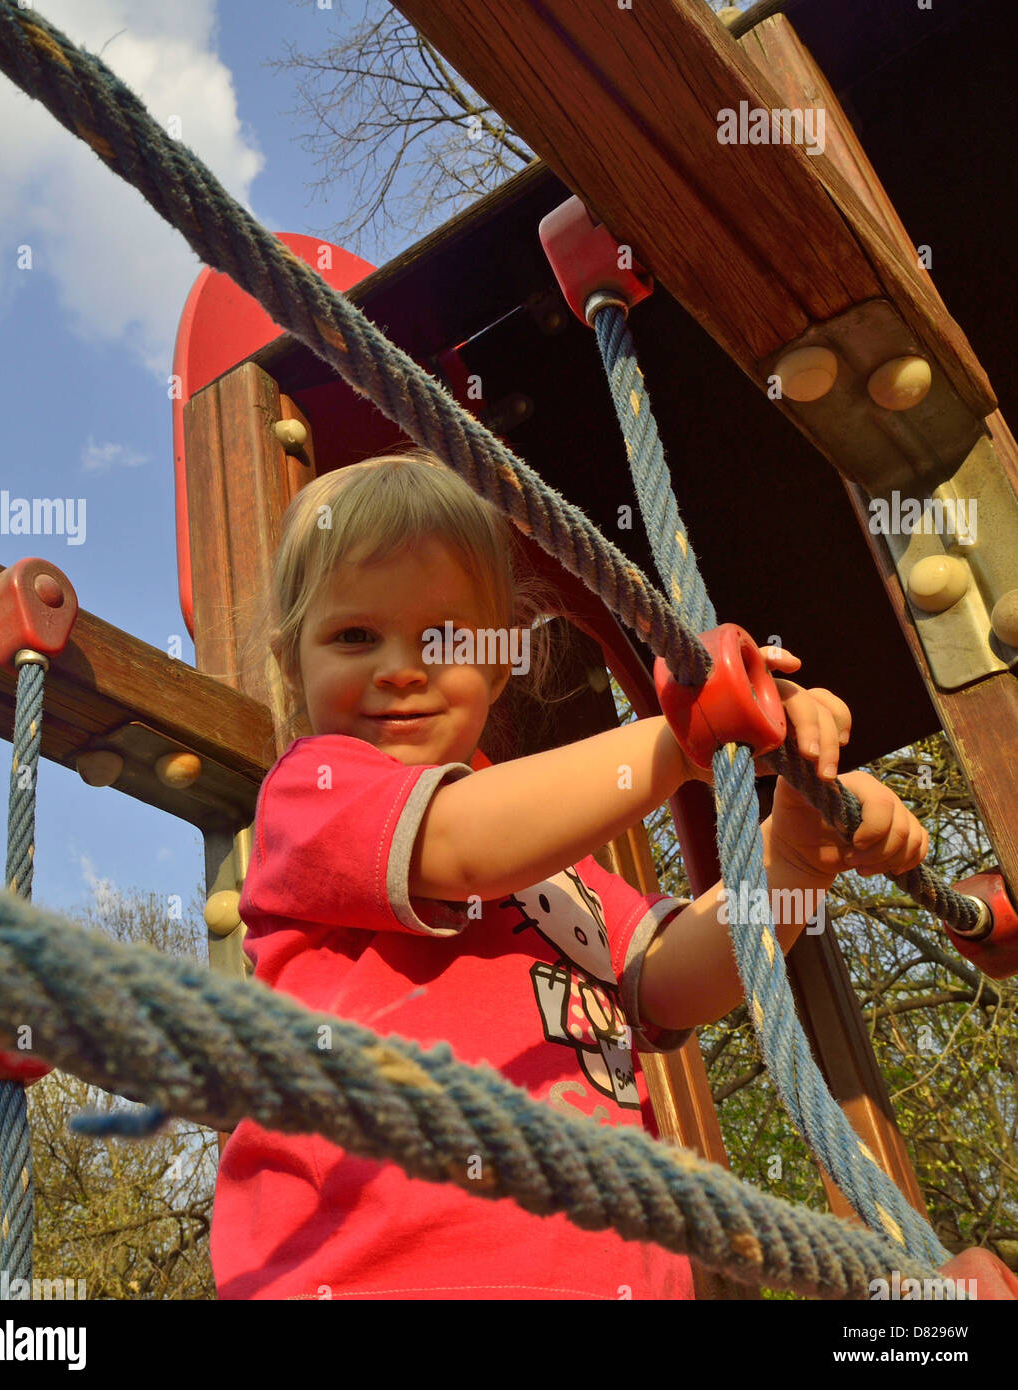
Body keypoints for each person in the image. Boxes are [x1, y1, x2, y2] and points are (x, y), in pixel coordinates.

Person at [211, 450, 929, 1301]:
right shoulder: (316, 793)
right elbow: (463, 844)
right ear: (294, 662)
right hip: (387, 1272)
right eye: (353, 636)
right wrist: (679, 739)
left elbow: (669, 983)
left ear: (499, 660)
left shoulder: (555, 872)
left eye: (442, 638)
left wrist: (795, 859)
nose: (400, 667)